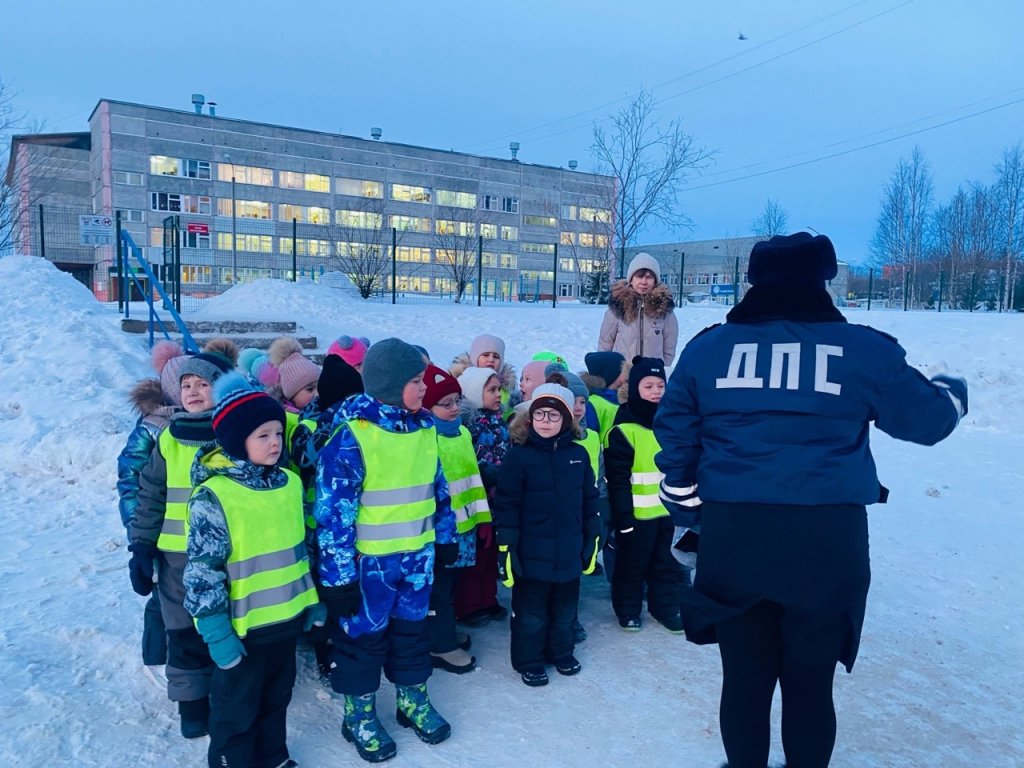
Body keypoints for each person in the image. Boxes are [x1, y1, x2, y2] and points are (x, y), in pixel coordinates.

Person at [653, 232, 969, 768]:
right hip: (827, 539)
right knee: (810, 682)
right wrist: (953, 391)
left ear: (753, 279)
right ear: (823, 279)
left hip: (736, 534)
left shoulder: (708, 349)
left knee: (745, 681)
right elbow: (929, 421)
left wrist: (690, 514)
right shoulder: (863, 349)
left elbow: (676, 441)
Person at [315, 338, 458, 763]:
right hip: (368, 565)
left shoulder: (426, 428)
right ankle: (358, 714)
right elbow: (333, 514)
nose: (423, 387)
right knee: (364, 641)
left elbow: (439, 489)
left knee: (413, 634)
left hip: (416, 558)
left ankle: (411, 700)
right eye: (416, 381)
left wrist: (445, 537)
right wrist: (338, 577)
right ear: (391, 386)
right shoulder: (351, 437)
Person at [184, 374, 323, 768]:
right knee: (236, 708)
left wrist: (311, 603)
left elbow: (301, 552)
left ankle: (273, 756)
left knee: (277, 697)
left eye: (278, 432)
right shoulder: (214, 496)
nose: (275, 442)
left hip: (285, 621)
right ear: (236, 440)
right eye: (262, 435)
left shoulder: (290, 484)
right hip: (241, 630)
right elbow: (202, 573)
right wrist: (216, 633)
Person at [129, 339, 237, 739]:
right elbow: (150, 493)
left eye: (203, 384)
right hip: (176, 556)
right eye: (186, 384)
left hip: (227, 556)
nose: (192, 391)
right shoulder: (169, 438)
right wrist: (141, 545)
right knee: (183, 630)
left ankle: (227, 695)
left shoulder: (233, 436)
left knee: (224, 627)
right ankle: (192, 705)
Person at [493, 383, 600, 687]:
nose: (545, 421)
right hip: (531, 552)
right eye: (540, 414)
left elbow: (589, 498)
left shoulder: (578, 456)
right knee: (531, 613)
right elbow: (507, 504)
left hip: (568, 549)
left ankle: (561, 652)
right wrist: (507, 545)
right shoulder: (519, 457)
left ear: (567, 420)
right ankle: (529, 660)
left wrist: (593, 534)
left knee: (565, 609)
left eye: (554, 416)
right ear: (530, 418)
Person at [116, 340, 188, 672]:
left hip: (184, 526)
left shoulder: (199, 424)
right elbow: (131, 478)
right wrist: (139, 531)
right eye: (187, 385)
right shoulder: (153, 427)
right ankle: (155, 652)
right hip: (155, 525)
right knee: (161, 595)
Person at [605, 357, 685, 632]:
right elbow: (617, 479)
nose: (656, 391)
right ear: (634, 387)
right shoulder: (623, 429)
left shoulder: (672, 425)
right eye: (648, 385)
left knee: (667, 565)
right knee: (631, 567)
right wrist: (623, 517)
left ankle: (665, 608)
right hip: (637, 517)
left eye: (660, 385)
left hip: (669, 513)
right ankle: (628, 610)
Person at [422, 364, 491, 673]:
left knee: (450, 586)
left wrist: (482, 518)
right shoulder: (425, 438)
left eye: (456, 401)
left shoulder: (461, 431)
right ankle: (441, 645)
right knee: (439, 588)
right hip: (441, 531)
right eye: (444, 404)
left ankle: (443, 633)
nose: (453, 409)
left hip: (465, 526)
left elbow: (471, 477)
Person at [453, 365, 511, 626]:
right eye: (491, 390)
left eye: (499, 389)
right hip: (478, 499)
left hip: (499, 497)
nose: (498, 394)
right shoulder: (469, 425)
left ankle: (488, 598)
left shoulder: (499, 419)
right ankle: (469, 604)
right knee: (474, 555)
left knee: (490, 553)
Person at [598, 252, 679, 366]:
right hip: (622, 376)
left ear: (655, 281)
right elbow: (605, 343)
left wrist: (662, 369)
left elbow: (669, 347)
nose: (644, 282)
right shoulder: (618, 307)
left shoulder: (664, 310)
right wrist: (608, 371)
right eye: (639, 276)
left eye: (649, 277)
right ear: (631, 279)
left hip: (651, 376)